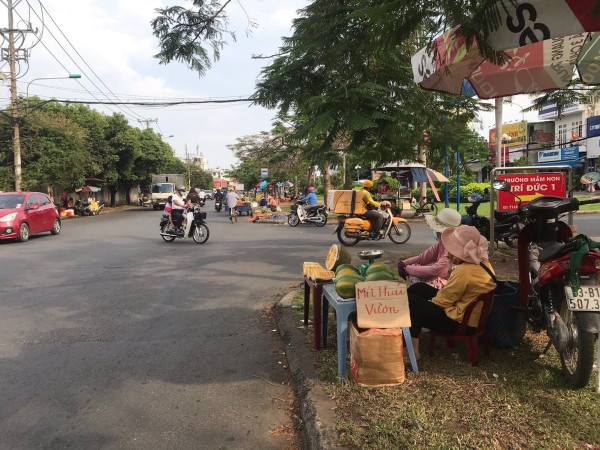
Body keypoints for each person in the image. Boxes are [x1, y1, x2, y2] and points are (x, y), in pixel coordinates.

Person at [407, 225, 496, 360]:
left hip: (461, 323)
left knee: (412, 303)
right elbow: (452, 294)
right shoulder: (483, 263)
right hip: (469, 314)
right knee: (418, 288)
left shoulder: (464, 271)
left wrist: (424, 306)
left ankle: (412, 350)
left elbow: (443, 301)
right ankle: (409, 330)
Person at [397, 208, 462, 288]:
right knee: (416, 266)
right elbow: (422, 258)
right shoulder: (443, 243)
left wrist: (407, 269)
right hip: (446, 279)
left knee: (417, 287)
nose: (437, 232)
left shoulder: (453, 247)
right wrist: (404, 263)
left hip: (454, 285)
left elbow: (435, 271)